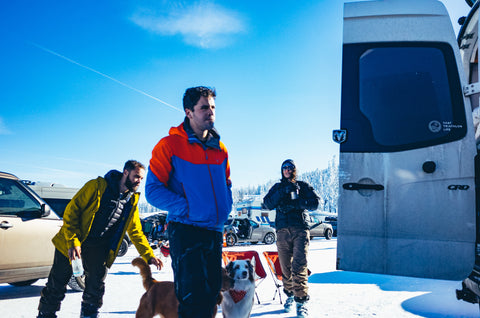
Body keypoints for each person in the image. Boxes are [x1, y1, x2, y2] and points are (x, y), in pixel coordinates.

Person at [145, 86, 233, 318]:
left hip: (214, 231)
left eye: (213, 107)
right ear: (188, 112)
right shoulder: (170, 145)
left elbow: (227, 184)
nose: (210, 112)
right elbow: (153, 191)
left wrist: (225, 208)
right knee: (192, 298)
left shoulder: (220, 149)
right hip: (186, 230)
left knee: (212, 294)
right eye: (204, 107)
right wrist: (188, 208)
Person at [37, 160, 162, 318]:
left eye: (141, 178)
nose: (139, 181)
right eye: (136, 176)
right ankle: (45, 314)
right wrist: (73, 242)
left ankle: (89, 315)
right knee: (57, 284)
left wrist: (149, 255)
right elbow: (71, 212)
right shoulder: (97, 186)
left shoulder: (131, 200)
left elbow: (136, 231)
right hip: (72, 241)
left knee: (96, 286)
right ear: (125, 172)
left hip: (98, 247)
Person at [262, 159, 319, 318]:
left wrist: (297, 203)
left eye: (290, 167)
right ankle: (290, 295)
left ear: (295, 170)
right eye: (284, 168)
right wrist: (283, 191)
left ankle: (301, 302)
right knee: (285, 268)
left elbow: (315, 203)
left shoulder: (303, 186)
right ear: (282, 171)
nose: (287, 170)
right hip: (281, 231)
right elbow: (267, 204)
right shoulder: (277, 187)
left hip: (300, 229)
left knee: (299, 266)